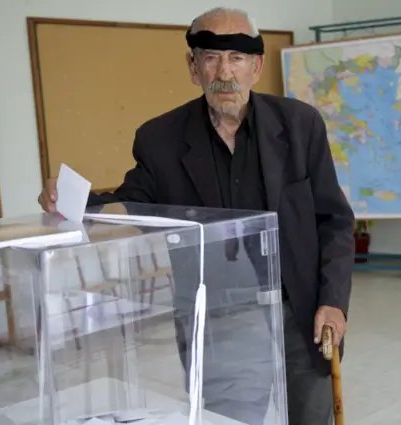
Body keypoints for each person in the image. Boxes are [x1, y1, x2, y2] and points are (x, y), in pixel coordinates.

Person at [38, 7, 355, 425]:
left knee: (310, 419)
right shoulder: (160, 138)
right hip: (220, 320)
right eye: (211, 57)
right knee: (227, 421)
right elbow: (131, 202)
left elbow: (333, 219)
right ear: (193, 67)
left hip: (302, 315)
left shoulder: (300, 125)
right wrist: (70, 200)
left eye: (237, 58)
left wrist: (333, 301)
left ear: (256, 66)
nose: (225, 71)